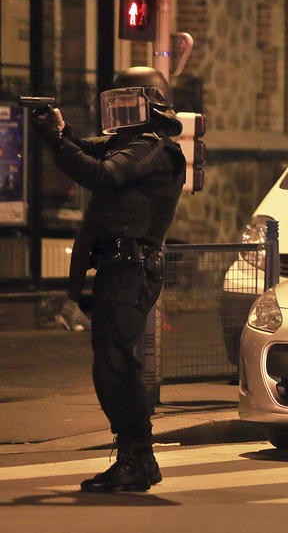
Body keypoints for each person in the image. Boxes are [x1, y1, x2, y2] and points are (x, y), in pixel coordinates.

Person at [29, 66, 186, 493]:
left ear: (150, 106)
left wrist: (60, 142)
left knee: (117, 364)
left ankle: (137, 458)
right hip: (119, 268)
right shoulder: (130, 146)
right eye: (113, 105)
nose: (119, 114)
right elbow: (89, 151)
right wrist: (58, 131)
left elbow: (101, 173)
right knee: (112, 363)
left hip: (132, 268)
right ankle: (138, 459)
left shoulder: (153, 148)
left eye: (127, 105)